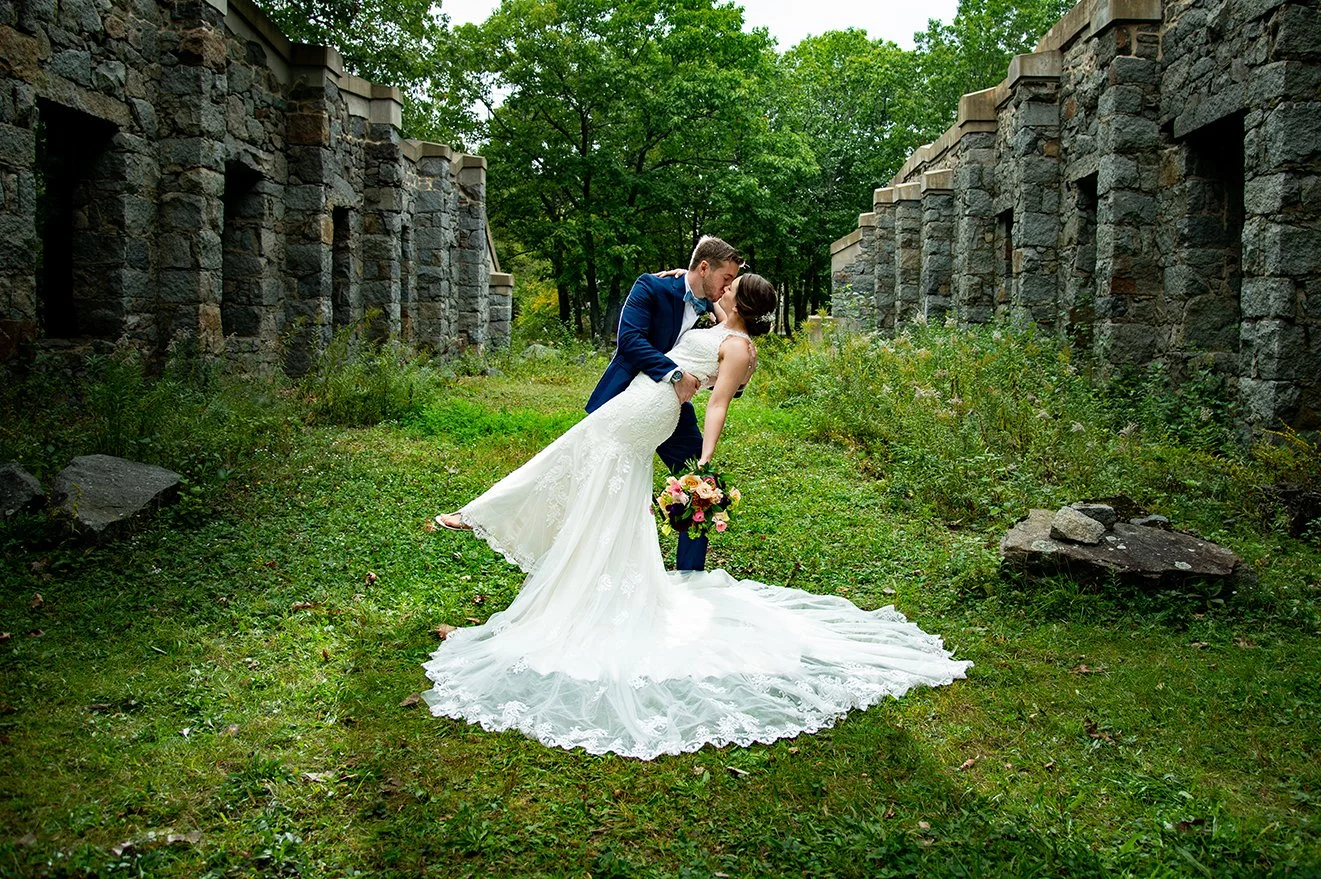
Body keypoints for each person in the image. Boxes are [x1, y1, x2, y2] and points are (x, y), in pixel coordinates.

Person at [424, 272, 971, 759]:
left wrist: (705, 459)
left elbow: (717, 402)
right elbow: (685, 312)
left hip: (651, 408)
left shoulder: (735, 345)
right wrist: (678, 278)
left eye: (732, 284)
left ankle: (494, 517)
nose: (723, 286)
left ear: (741, 301)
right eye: (724, 278)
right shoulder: (716, 319)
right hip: (644, 397)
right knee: (595, 474)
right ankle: (562, 554)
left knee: (577, 453)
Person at [586, 235, 744, 572]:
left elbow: (729, 336)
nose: (727, 287)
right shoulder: (651, 287)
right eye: (725, 279)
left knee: (701, 486)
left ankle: (690, 575)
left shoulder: (707, 302)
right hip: (628, 397)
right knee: (596, 486)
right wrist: (675, 374)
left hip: (672, 409)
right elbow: (629, 340)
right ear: (704, 267)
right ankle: (587, 563)